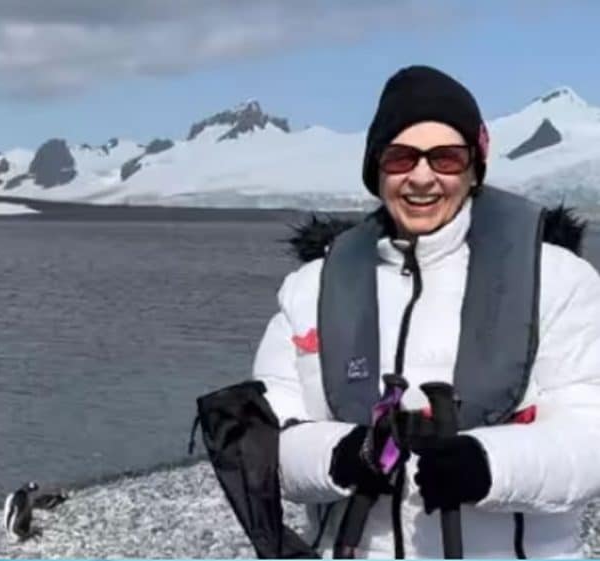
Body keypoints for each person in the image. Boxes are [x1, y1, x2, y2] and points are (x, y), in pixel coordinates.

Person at [251, 64, 600, 558]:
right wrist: (342, 456)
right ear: (376, 170)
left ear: (475, 167)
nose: (421, 177)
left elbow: (591, 434)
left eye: (446, 158)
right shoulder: (311, 289)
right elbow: (264, 441)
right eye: (399, 158)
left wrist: (488, 464)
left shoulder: (559, 280)